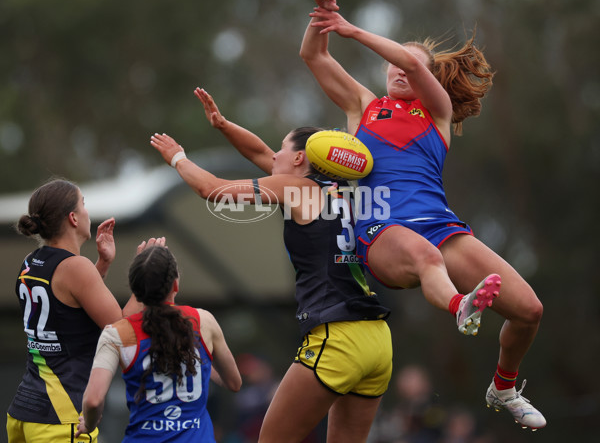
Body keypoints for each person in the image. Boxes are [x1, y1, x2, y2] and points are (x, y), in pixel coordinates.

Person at [298, 0, 545, 430]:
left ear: (428, 79)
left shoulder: (438, 113)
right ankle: (460, 307)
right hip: (380, 233)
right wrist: (322, 19)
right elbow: (314, 57)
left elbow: (412, 60)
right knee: (426, 257)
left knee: (529, 311)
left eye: (407, 65)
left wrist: (351, 29)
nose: (398, 69)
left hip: (440, 227)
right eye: (390, 64)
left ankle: (503, 388)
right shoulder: (365, 106)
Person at [149, 87, 393, 443]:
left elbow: (211, 190)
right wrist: (223, 125)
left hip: (337, 336)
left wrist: (177, 158)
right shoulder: (341, 190)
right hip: (377, 340)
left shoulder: (296, 189)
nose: (273, 153)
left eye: (283, 148)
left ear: (298, 160)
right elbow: (260, 153)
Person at [6, 178, 144, 443]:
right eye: (84, 204)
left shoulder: (31, 262)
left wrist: (102, 264)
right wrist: (146, 278)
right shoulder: (76, 268)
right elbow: (123, 332)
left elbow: (68, 305)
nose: (87, 212)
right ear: (73, 218)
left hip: (24, 411)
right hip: (61, 417)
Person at [74, 245, 242, 442]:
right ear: (176, 285)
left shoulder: (116, 334)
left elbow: (93, 401)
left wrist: (90, 424)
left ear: (135, 289)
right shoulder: (203, 321)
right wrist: (200, 361)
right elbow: (234, 382)